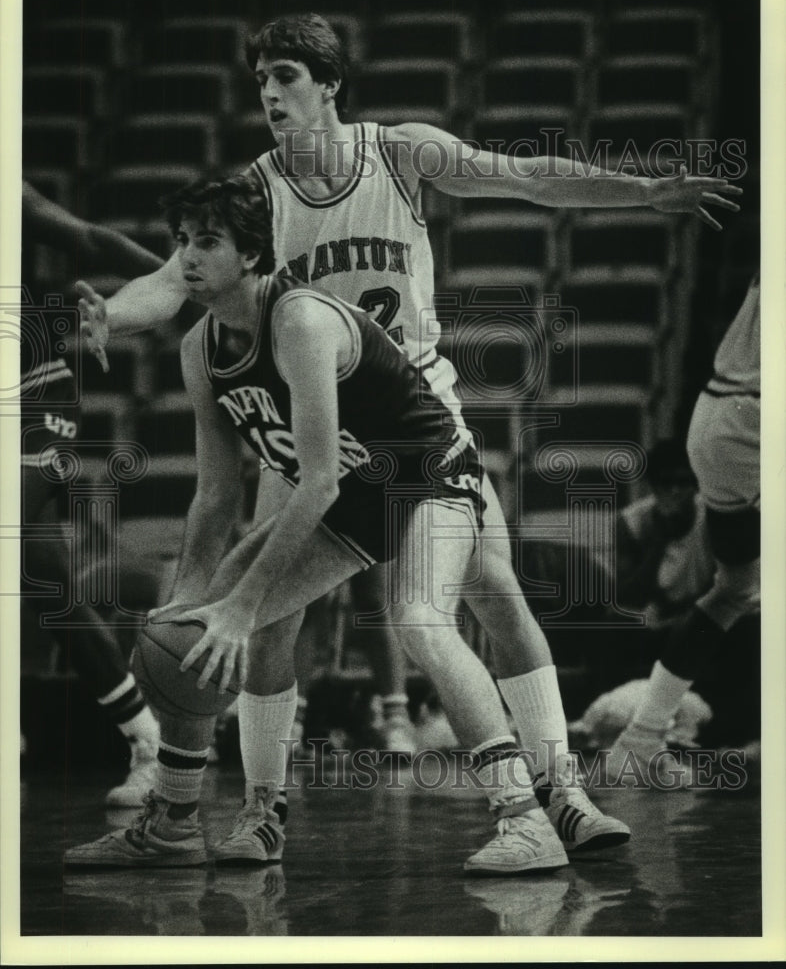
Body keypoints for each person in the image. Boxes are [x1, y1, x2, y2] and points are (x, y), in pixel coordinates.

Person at [78, 13, 741, 849]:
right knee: (268, 613)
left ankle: (559, 791)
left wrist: (642, 192)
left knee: (490, 590)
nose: (270, 95)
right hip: (312, 422)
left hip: (413, 412)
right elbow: (170, 281)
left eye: (285, 77)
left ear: (329, 85)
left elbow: (528, 176)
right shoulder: (256, 191)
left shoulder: (398, 152)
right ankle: (261, 809)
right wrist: (112, 312)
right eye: (260, 82)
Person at [65, 175, 631, 873]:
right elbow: (213, 498)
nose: (187, 257)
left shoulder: (299, 321)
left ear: (250, 255)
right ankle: (179, 824)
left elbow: (320, 476)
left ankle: (526, 819)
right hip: (352, 492)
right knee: (198, 630)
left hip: (428, 470)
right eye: (180, 242)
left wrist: (241, 605)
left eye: (206, 242)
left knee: (420, 619)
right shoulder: (199, 352)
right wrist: (192, 603)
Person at [20, 180, 164, 806]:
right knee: (45, 578)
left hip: (31, 392)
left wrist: (177, 281)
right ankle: (148, 739)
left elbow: (86, 238)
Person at [607, 271, 760, 783]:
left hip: (717, 417)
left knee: (736, 590)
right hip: (759, 413)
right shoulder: (632, 523)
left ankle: (641, 738)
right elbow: (624, 596)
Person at [616, 438, 715, 628]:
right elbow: (626, 593)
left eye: (683, 482)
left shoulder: (710, 516)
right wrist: (660, 537)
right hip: (651, 617)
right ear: (652, 486)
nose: (675, 491)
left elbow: (724, 582)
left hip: (698, 613)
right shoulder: (632, 521)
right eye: (666, 483)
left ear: (695, 485)